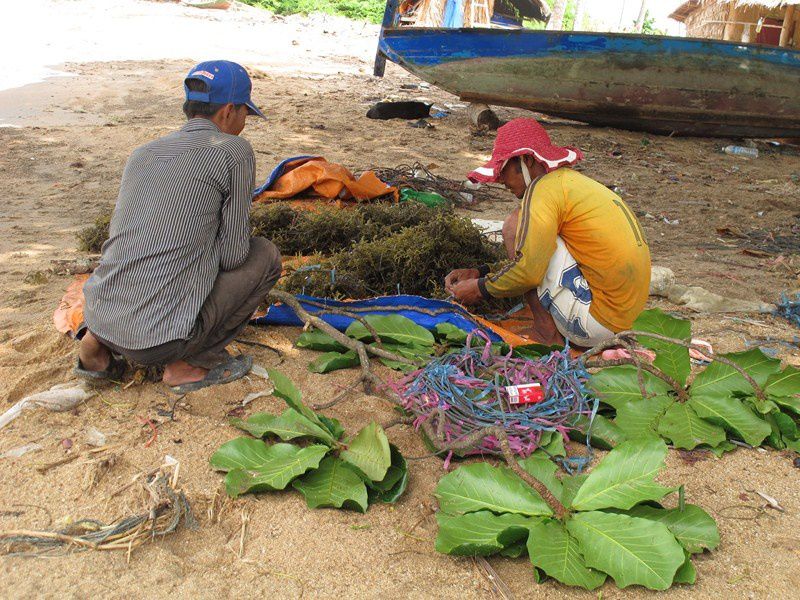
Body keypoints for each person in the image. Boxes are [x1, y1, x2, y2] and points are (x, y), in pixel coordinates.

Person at [76, 60, 282, 392]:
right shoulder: (233, 151)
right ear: (229, 111)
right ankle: (186, 365)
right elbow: (233, 257)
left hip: (100, 315)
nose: (245, 122)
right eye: (245, 113)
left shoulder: (142, 153)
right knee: (265, 255)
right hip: (155, 342)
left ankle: (95, 345)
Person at [445, 118, 651, 348]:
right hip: (625, 321)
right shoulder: (570, 183)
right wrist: (481, 272)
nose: (502, 181)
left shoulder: (542, 190)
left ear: (527, 160)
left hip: (597, 326)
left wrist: (480, 288)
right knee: (532, 237)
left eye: (503, 170)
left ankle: (546, 333)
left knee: (515, 224)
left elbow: (529, 272)